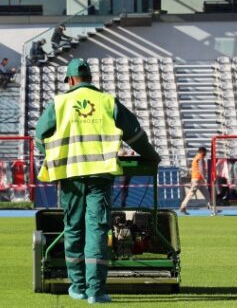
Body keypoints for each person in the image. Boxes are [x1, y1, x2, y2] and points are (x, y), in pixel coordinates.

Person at [35, 59, 161, 303]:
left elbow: (40, 138)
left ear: (70, 80)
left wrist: (55, 155)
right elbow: (135, 134)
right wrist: (151, 156)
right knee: (97, 230)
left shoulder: (59, 103)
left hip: (70, 176)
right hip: (100, 177)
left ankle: (78, 287)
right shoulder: (107, 101)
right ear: (90, 77)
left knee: (73, 228)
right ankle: (96, 292)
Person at [179, 147, 217, 215]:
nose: (206, 154)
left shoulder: (195, 158)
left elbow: (193, 170)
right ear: (202, 151)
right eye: (205, 152)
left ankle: (212, 208)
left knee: (206, 193)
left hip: (196, 178)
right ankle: (183, 206)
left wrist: (192, 179)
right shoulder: (200, 158)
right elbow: (201, 169)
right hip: (198, 179)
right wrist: (204, 178)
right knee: (191, 194)